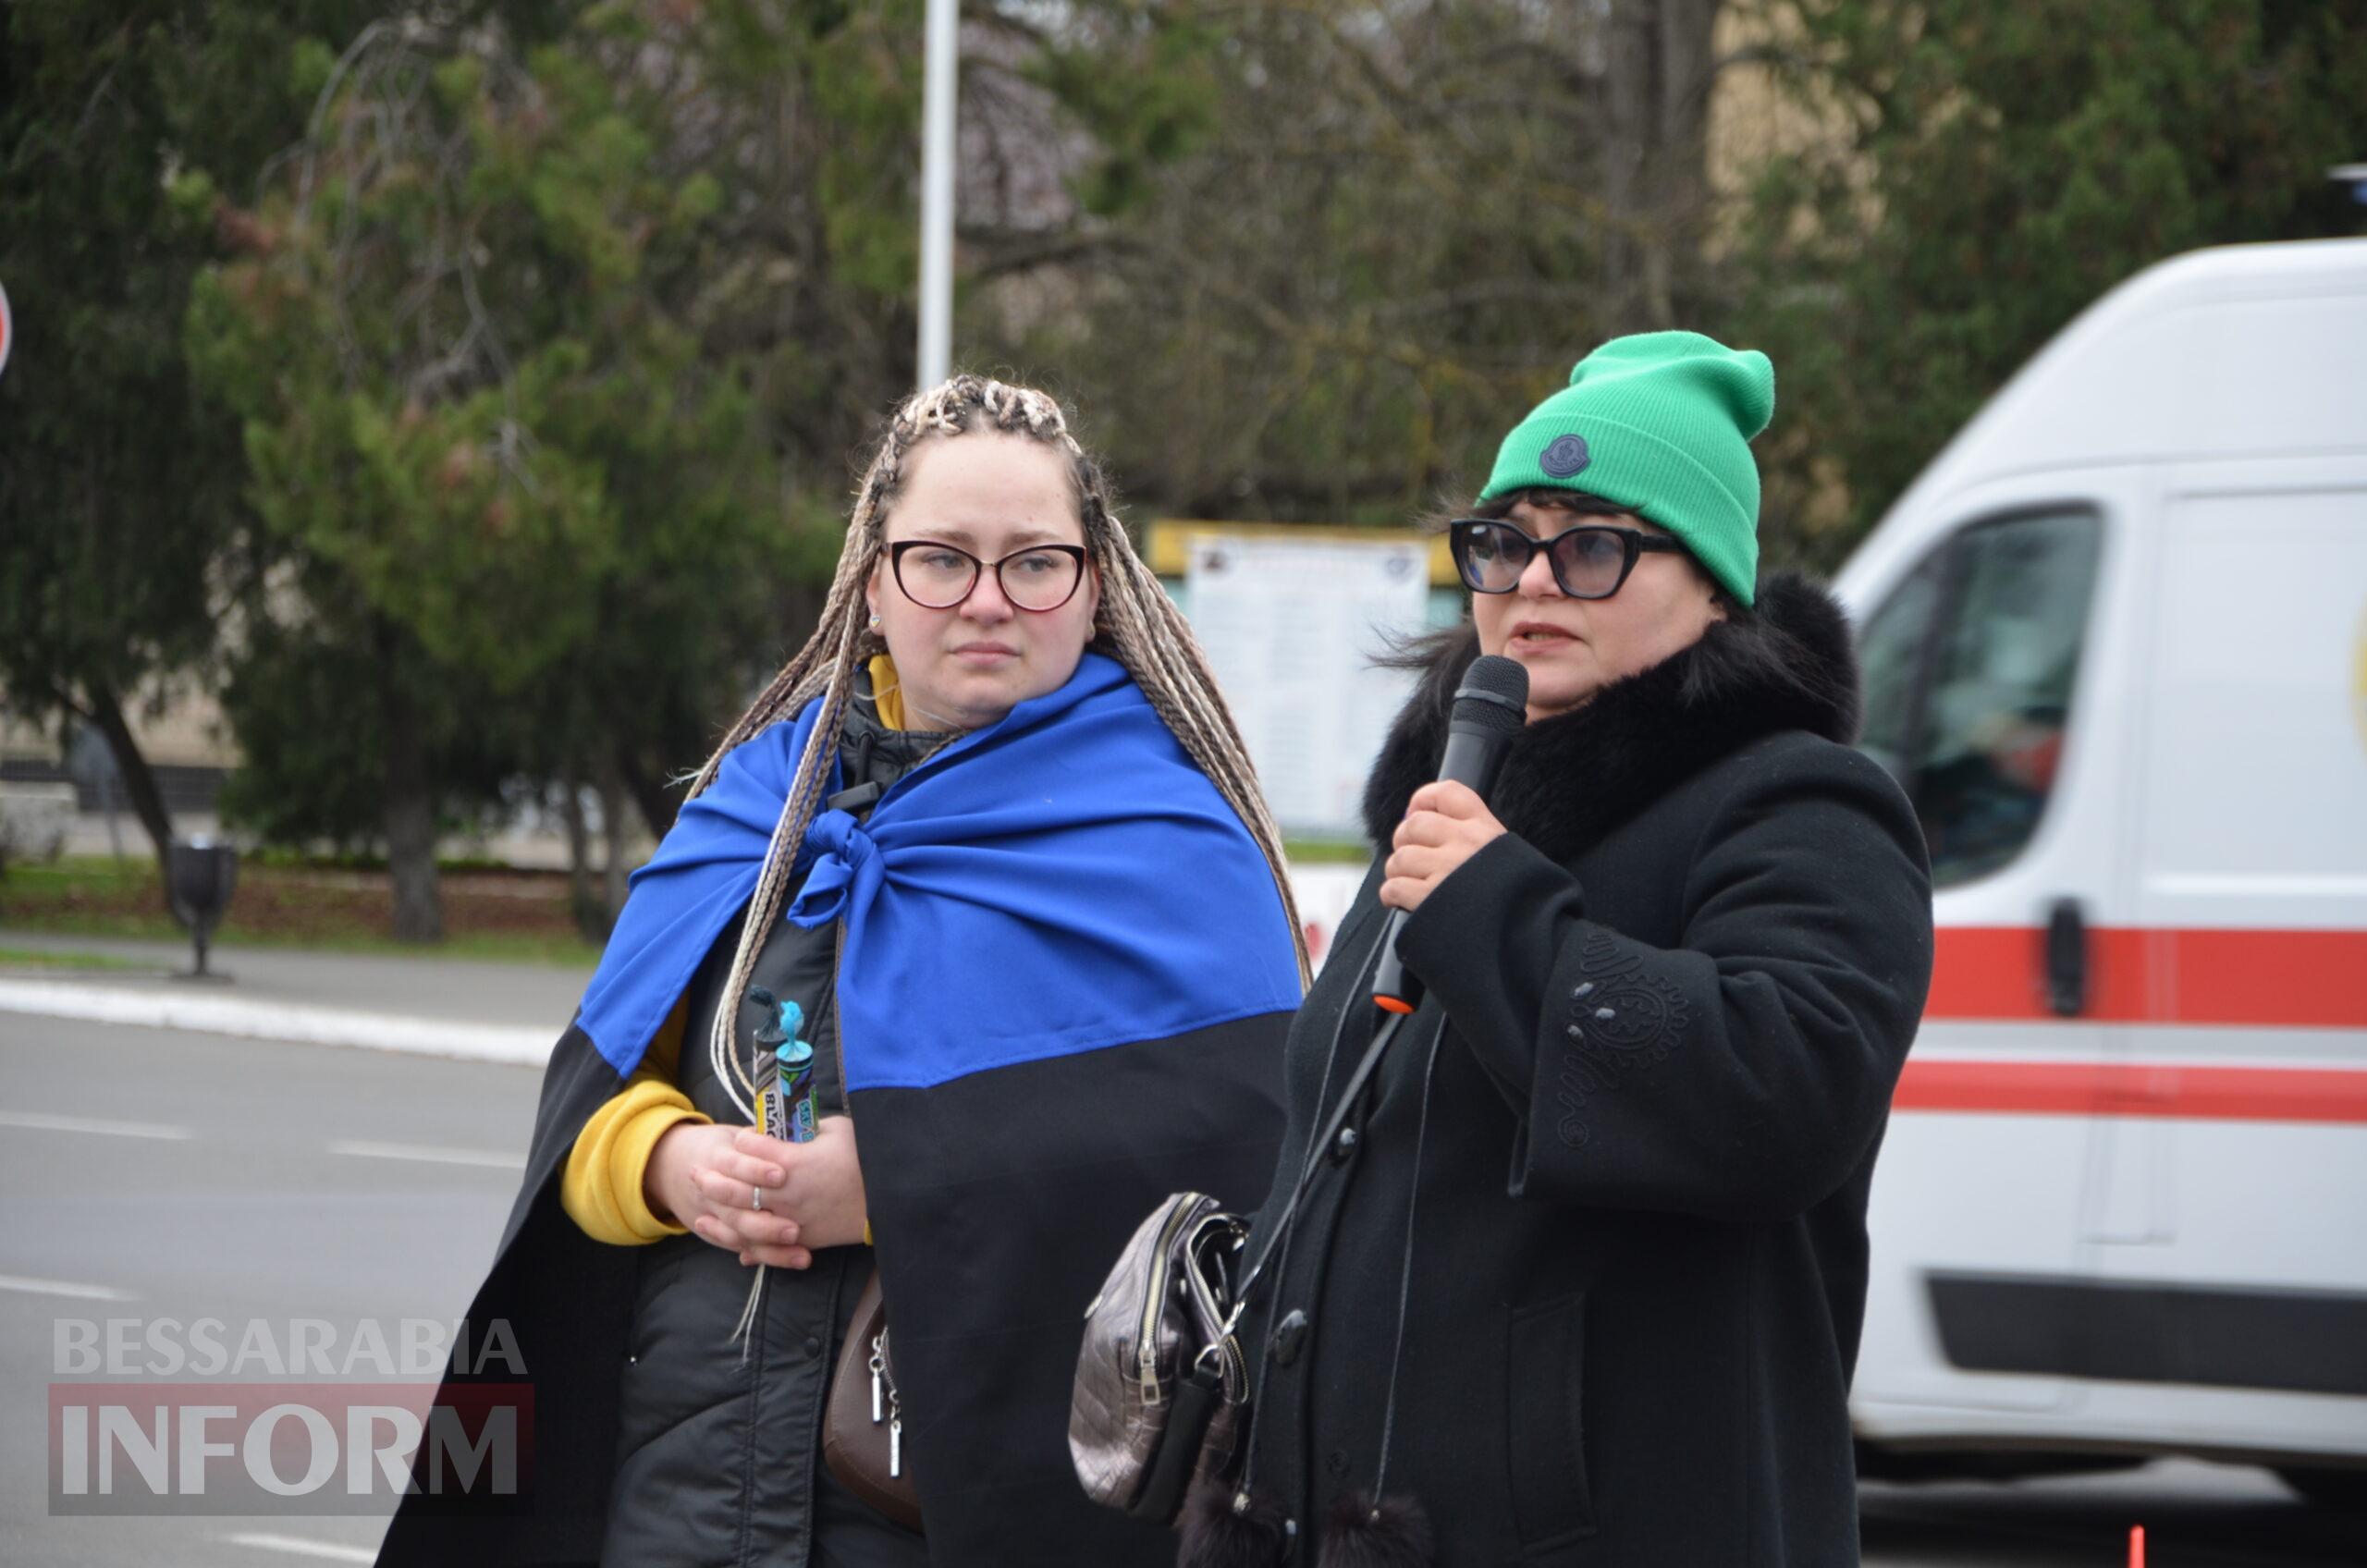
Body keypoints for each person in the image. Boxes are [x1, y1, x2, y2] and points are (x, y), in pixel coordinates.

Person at [378, 376, 1307, 1568]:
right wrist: (669, 1168)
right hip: (680, 1488)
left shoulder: (1177, 842)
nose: (986, 599)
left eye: (1035, 563)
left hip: (951, 1506)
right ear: (873, 582)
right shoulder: (756, 806)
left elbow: (1230, 1172)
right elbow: (589, 1118)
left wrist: (889, 1186)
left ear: (1095, 588)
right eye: (941, 559)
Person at [1185, 333, 1935, 1568]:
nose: (1532, 580)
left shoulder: (1802, 805)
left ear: (1712, 588)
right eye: (1504, 541)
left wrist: (1495, 912)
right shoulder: (1457, 800)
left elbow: (1788, 1092)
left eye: (1592, 547)